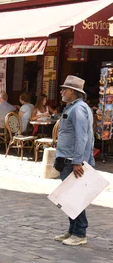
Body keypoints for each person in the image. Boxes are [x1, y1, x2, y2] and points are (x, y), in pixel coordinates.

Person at [54, 75, 95, 246]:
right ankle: (72, 230)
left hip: (73, 161)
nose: (62, 91)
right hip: (69, 159)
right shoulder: (74, 107)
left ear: (72, 91)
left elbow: (82, 137)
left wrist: (78, 161)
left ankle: (79, 233)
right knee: (69, 198)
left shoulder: (78, 109)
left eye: (64, 89)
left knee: (74, 198)